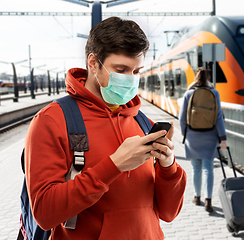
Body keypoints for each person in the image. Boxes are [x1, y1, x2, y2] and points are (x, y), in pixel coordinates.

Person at [25, 17, 186, 240]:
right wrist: (114, 166)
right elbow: (44, 213)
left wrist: (168, 167)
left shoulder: (142, 122)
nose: (130, 80)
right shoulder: (52, 120)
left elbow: (169, 213)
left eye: (136, 71)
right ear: (93, 63)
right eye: (121, 69)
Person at [178, 67, 227, 213]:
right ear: (208, 78)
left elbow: (182, 118)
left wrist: (185, 134)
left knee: (196, 169)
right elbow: (219, 117)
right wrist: (222, 138)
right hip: (210, 135)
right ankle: (208, 200)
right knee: (208, 169)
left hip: (193, 136)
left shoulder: (188, 94)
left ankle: (197, 196)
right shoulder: (214, 93)